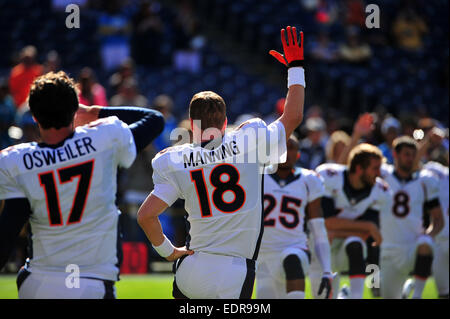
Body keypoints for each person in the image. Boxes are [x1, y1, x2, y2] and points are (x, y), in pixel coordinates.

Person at [136, 26, 306, 299]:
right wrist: (296, 67)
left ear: (191, 124)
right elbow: (293, 116)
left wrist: (168, 251)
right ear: (225, 122)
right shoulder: (250, 140)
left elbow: (146, 215)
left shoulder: (175, 159)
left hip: (192, 267)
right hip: (235, 271)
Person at [0, 71, 165, 298]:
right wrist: (93, 112)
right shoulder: (103, 139)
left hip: (38, 283)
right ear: (74, 110)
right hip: (92, 284)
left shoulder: (16, 160)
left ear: (35, 116)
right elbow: (154, 120)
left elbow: (8, 231)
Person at [310, 143, 391, 299]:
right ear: (359, 168)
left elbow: (369, 236)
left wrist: (338, 230)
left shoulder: (379, 191)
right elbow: (326, 223)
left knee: (355, 243)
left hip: (343, 249)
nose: (379, 173)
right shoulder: (330, 177)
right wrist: (366, 226)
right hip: (320, 248)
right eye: (374, 168)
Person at [256, 135, 333, 299]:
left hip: (295, 246)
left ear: (298, 155)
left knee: (292, 259)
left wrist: (326, 270)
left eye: (291, 148)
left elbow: (318, 228)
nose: (286, 152)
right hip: (263, 256)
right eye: (282, 147)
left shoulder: (309, 179)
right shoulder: (258, 176)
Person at [379, 136, 444, 299]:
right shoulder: (383, 175)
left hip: (412, 246)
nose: (410, 159)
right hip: (387, 249)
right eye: (406, 154)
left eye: (413, 155)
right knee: (382, 293)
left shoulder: (425, 181)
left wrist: (428, 234)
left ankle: (417, 295)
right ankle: (404, 292)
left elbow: (438, 220)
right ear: (395, 155)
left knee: (426, 243)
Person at [8, 45, 43, 110]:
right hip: (19, 107)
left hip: (36, 105)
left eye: (29, 58)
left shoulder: (39, 71)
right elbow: (12, 91)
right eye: (26, 58)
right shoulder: (16, 72)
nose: (28, 60)